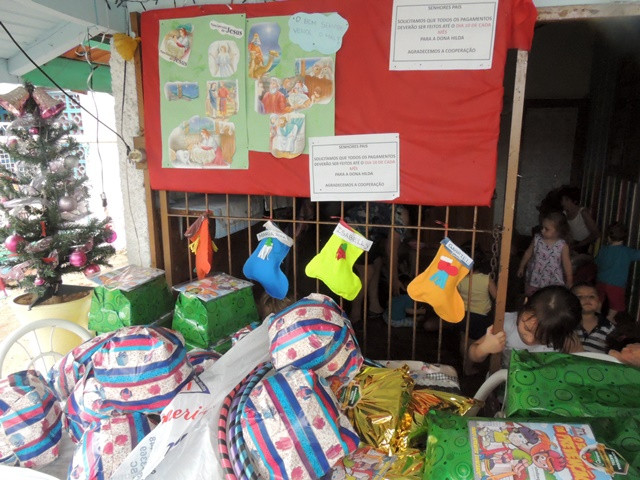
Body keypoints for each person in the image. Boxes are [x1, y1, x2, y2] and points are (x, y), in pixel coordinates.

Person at [467, 285, 583, 368]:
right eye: (527, 328)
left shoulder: (565, 338)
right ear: (525, 303)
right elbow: (472, 354)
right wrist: (484, 348)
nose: (530, 339)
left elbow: (581, 362)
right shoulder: (506, 324)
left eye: (541, 338)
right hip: (506, 385)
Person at [344, 202, 409, 323]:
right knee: (367, 271)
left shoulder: (396, 209)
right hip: (354, 232)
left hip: (367, 234)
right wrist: (394, 279)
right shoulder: (401, 214)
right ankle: (354, 314)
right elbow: (391, 250)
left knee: (377, 261)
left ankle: (374, 306)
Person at [517, 211, 573, 297]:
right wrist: (521, 266)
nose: (542, 230)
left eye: (547, 229)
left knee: (549, 298)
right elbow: (528, 253)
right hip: (534, 277)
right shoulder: (537, 239)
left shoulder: (562, 245)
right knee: (532, 297)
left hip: (552, 279)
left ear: (558, 231)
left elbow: (567, 263)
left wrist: (569, 279)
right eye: (542, 227)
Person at [595, 221, 640, 322]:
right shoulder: (627, 252)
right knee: (616, 303)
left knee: (599, 298)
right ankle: (610, 317)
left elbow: (597, 262)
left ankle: (597, 313)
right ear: (625, 237)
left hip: (601, 281)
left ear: (608, 237)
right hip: (616, 284)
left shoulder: (603, 249)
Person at [458, 248, 497, 341]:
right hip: (482, 317)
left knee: (464, 339)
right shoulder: (486, 279)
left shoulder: (459, 280)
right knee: (478, 342)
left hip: (463, 315)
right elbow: (497, 297)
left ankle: (464, 350)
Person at [571, 283, 613, 353]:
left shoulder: (608, 327)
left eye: (592, 296)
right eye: (580, 296)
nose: (587, 299)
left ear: (599, 302)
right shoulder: (566, 325)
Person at [559, 186, 600, 254]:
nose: (563, 203)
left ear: (574, 200)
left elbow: (596, 233)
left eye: (566, 200)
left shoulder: (582, 212)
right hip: (572, 244)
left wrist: (580, 244)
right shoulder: (564, 214)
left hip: (585, 245)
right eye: (562, 200)